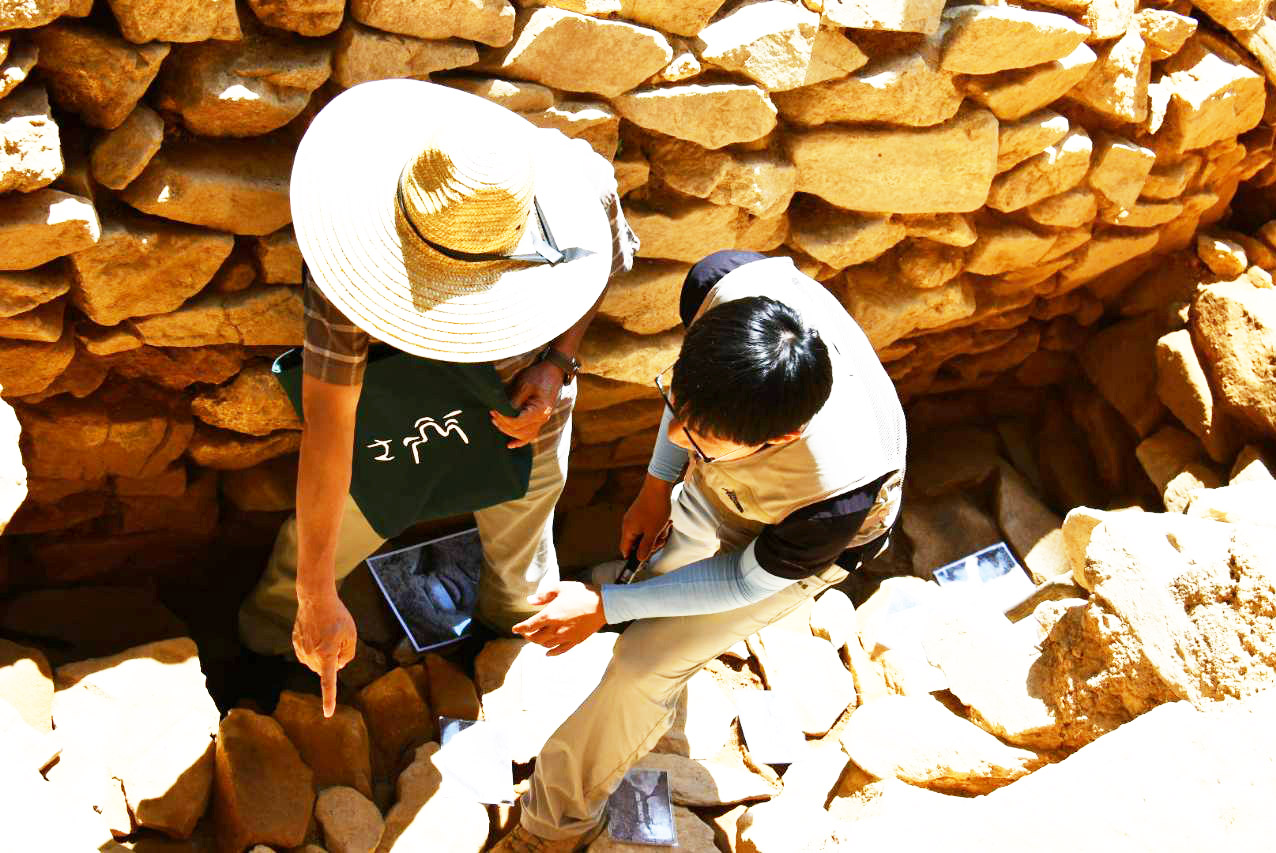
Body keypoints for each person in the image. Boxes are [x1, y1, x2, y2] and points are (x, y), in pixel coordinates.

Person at [236, 78, 637, 716]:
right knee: (313, 554)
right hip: (393, 424)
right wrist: (315, 596)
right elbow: (331, 424)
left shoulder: (580, 188)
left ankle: (503, 642)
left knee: (523, 561)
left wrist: (557, 363)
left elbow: (598, 265)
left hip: (522, 413)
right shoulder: (349, 260)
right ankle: (266, 647)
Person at [492, 249, 907, 851]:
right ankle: (647, 605)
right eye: (680, 410)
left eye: (701, 438)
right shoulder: (725, 287)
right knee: (663, 570)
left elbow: (741, 581)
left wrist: (606, 606)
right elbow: (694, 407)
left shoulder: (834, 502)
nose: (677, 435)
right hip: (737, 483)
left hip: (791, 542)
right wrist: (656, 487)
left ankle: (552, 827)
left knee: (642, 667)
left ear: (782, 436)